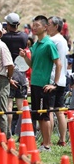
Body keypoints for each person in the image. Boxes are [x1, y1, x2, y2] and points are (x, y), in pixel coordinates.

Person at [19, 15, 61, 152]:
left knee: (44, 115)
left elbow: (58, 64)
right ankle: (44, 143)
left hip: (44, 85)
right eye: (33, 25)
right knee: (38, 115)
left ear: (45, 27)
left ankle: (47, 144)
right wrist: (25, 57)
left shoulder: (49, 44)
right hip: (35, 84)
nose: (34, 28)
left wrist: (54, 84)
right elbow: (32, 65)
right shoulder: (36, 45)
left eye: (37, 25)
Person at [2, 12, 29, 138]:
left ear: (8, 24)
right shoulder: (24, 36)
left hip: (9, 71)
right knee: (21, 105)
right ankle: (24, 132)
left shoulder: (4, 38)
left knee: (8, 104)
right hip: (21, 71)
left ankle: (8, 133)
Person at [47, 16, 69, 146]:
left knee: (49, 110)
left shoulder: (51, 40)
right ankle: (62, 139)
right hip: (62, 79)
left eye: (49, 24)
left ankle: (48, 140)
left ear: (56, 26)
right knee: (60, 111)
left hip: (52, 79)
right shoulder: (63, 40)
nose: (46, 26)